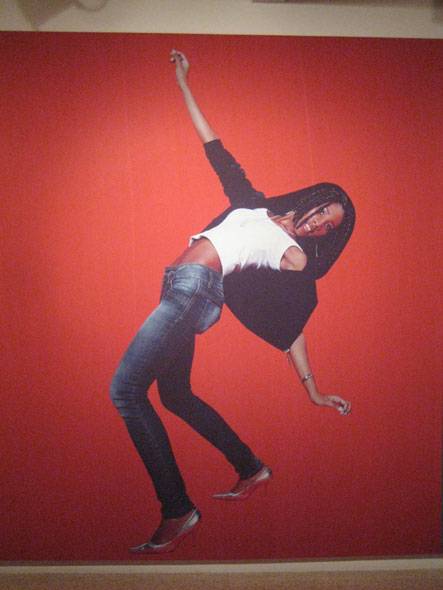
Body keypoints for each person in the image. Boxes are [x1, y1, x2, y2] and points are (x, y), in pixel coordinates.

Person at [110, 50, 356, 554]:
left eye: (328, 227)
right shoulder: (252, 204)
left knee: (126, 392)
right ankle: (250, 466)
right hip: (176, 285)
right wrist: (184, 84)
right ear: (311, 199)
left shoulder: (296, 258)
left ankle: (177, 509)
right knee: (174, 395)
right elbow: (214, 147)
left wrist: (312, 389)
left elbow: (293, 322)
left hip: (194, 291)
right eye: (320, 212)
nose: (318, 224)